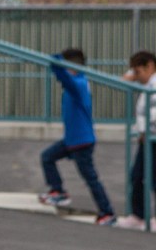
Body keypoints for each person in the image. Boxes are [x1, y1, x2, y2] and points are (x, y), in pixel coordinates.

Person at [37, 49, 116, 226]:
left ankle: (107, 212)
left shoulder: (78, 84)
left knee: (90, 178)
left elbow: (64, 78)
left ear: (72, 67)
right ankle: (58, 191)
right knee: (47, 157)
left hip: (81, 141)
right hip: (73, 139)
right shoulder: (77, 83)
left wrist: (56, 62)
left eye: (67, 68)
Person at [116, 51, 156, 229]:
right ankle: (137, 215)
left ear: (150, 66)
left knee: (154, 178)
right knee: (137, 176)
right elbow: (123, 81)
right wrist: (132, 77)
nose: (137, 77)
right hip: (146, 138)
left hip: (152, 137)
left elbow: (152, 114)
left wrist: (144, 129)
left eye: (138, 72)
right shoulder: (147, 85)